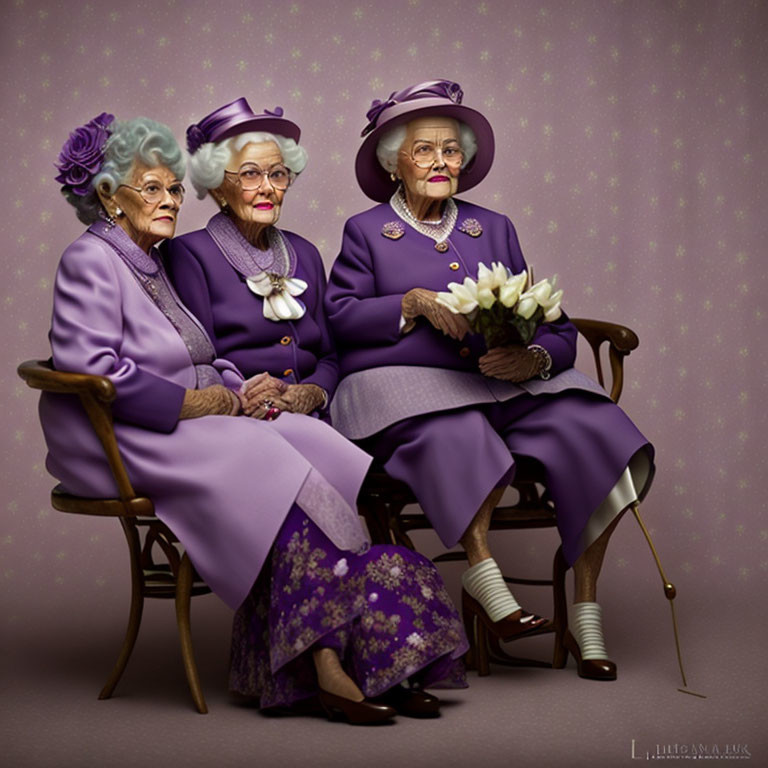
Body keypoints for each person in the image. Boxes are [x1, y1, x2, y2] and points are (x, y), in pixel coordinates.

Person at [39, 112, 467, 724]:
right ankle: (328, 664)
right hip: (123, 434)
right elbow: (97, 375)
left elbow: (203, 357)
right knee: (274, 462)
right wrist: (207, 402)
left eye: (173, 188)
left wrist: (240, 389)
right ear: (108, 195)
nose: (169, 201)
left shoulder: (148, 260)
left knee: (316, 447)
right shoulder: (91, 260)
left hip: (180, 418)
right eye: (152, 189)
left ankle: (358, 652)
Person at [325, 80, 655, 680]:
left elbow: (552, 324)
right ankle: (485, 577)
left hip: (508, 385)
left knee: (597, 430)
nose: (441, 162)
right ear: (392, 162)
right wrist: (412, 302)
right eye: (423, 150)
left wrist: (536, 361)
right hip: (411, 389)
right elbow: (340, 319)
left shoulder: (493, 226)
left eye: (451, 150)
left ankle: (586, 609)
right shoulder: (366, 231)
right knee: (458, 431)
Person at [164, 99, 334, 420]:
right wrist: (246, 393)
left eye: (278, 174)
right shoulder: (189, 254)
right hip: (243, 418)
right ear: (217, 187)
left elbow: (331, 355)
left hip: (311, 412)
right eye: (250, 175)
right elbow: (198, 358)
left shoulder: (307, 254)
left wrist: (313, 391)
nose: (267, 188)